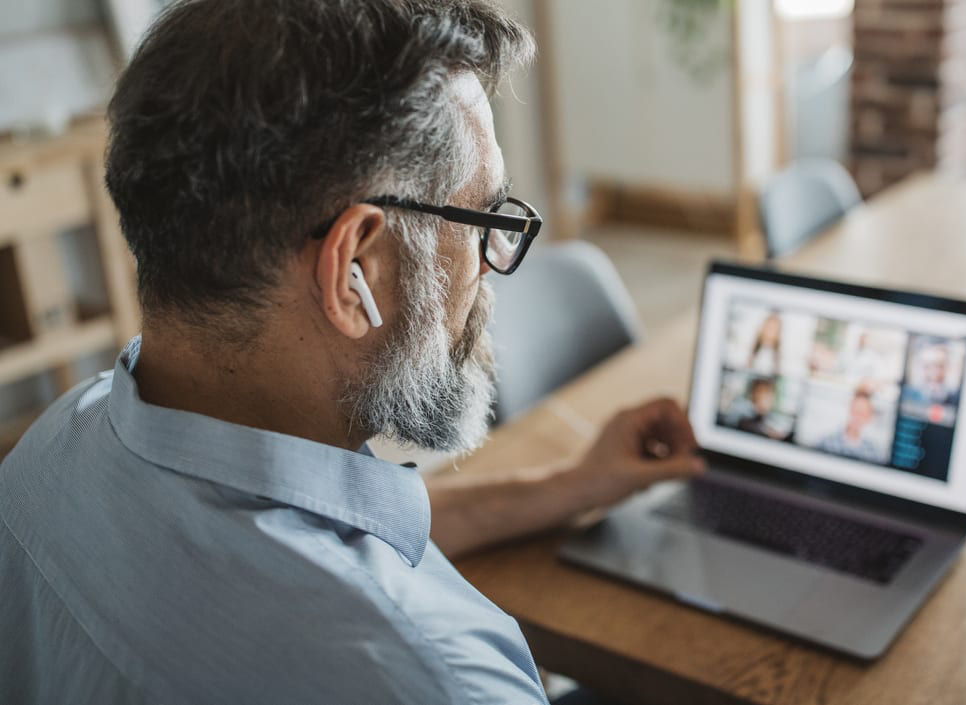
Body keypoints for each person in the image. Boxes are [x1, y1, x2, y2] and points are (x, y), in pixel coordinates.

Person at [0, 2, 704, 703]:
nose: (491, 264)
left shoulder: (47, 453)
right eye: (485, 219)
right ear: (354, 271)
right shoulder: (437, 677)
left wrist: (567, 486)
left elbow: (311, 529)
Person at [817, 388, 883, 462]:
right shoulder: (827, 442)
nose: (858, 418)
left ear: (868, 417)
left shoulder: (874, 453)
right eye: (855, 411)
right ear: (849, 410)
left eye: (862, 414)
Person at [904, 341, 960, 406]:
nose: (934, 372)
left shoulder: (956, 398)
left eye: (939, 366)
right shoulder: (908, 394)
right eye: (927, 366)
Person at [746, 310, 783, 375]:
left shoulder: (779, 356)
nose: (771, 331)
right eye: (769, 327)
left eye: (774, 328)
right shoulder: (752, 350)